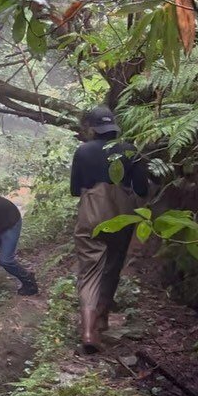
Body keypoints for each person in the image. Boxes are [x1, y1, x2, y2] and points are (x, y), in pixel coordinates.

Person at [70, 105, 149, 352]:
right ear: (114, 126)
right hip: (121, 218)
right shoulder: (130, 151)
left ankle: (88, 332)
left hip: (91, 215)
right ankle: (102, 319)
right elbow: (142, 189)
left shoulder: (83, 151)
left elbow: (75, 190)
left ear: (92, 129)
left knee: (89, 272)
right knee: (112, 268)